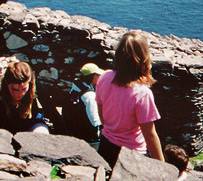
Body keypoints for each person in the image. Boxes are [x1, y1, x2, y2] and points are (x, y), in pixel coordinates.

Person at [95, 31, 164, 166]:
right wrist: (162, 166)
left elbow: (101, 110)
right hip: (132, 154)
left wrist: (111, 130)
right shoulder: (142, 93)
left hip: (106, 146)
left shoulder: (104, 77)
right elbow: (149, 135)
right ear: (144, 59)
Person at [0, 61, 50, 134]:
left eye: (24, 89)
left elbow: (52, 112)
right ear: (6, 84)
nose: (19, 93)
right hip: (3, 127)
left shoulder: (36, 88)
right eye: (14, 89)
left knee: (41, 132)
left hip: (30, 125)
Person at [65, 63, 104, 145]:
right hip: (88, 136)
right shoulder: (90, 95)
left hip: (74, 129)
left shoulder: (77, 85)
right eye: (97, 75)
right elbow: (95, 120)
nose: (100, 77)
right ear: (93, 77)